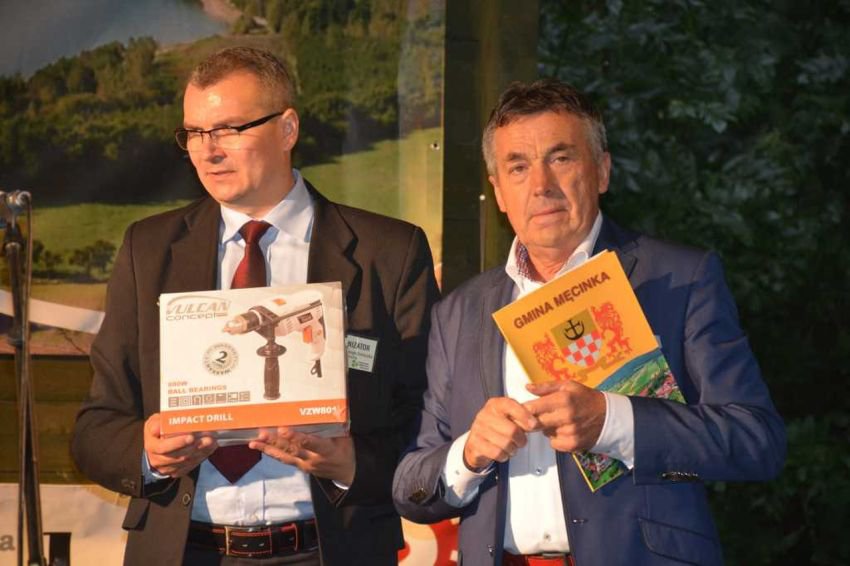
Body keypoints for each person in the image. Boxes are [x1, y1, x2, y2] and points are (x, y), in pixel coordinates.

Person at [392, 79, 785, 566]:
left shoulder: (681, 278)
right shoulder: (460, 310)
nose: (541, 185)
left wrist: (613, 420)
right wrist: (469, 453)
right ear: (498, 192)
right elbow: (410, 487)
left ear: (601, 171)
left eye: (561, 158)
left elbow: (756, 442)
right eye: (518, 167)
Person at [72, 46, 439, 566]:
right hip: (187, 552)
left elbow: (430, 418)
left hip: (328, 549)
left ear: (287, 129)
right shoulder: (147, 251)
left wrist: (351, 462)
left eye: (228, 130)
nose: (208, 151)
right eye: (194, 133)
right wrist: (148, 453)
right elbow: (96, 426)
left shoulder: (388, 253)